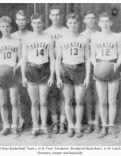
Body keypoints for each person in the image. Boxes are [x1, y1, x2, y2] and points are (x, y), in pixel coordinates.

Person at [56, 13, 91, 138]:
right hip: (66, 69)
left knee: (80, 100)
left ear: (79, 24)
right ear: (67, 24)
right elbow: (58, 60)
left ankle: (78, 126)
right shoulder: (61, 40)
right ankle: (70, 125)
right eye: (70, 23)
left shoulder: (84, 39)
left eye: (75, 23)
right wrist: (58, 77)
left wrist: (87, 76)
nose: (72, 25)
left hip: (80, 69)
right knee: (68, 100)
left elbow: (87, 59)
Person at [21, 13, 55, 137]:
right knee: (34, 102)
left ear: (43, 24)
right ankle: (35, 126)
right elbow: (24, 58)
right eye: (34, 23)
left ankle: (44, 126)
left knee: (43, 102)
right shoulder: (27, 39)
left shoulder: (48, 38)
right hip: (31, 70)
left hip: (44, 69)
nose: (37, 25)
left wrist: (52, 76)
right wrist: (23, 76)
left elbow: (52, 58)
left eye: (39, 22)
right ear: (31, 24)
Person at [90, 12, 121, 138]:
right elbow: (92, 55)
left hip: (113, 66)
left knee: (112, 100)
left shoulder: (117, 36)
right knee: (102, 100)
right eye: (102, 21)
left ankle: (111, 126)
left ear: (111, 23)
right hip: (100, 67)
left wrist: (116, 65)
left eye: (107, 21)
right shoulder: (95, 37)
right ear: (99, 23)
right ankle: (104, 127)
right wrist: (95, 65)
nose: (104, 23)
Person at [0, 16, 21, 135]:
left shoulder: (16, 42)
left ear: (11, 27)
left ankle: (14, 125)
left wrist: (16, 67)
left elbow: (21, 59)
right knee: (3, 102)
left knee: (14, 101)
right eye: (3, 26)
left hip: (12, 73)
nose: (5, 28)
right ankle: (6, 125)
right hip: (0, 74)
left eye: (7, 26)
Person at [44, 5, 69, 134]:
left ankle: (63, 122)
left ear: (61, 16)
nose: (55, 17)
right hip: (49, 65)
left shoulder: (66, 31)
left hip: (64, 64)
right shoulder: (46, 32)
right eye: (53, 15)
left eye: (57, 14)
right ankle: (55, 122)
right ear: (49, 16)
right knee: (52, 95)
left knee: (64, 95)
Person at [11, 10, 32, 132]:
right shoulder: (12, 35)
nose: (21, 22)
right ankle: (20, 120)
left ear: (27, 21)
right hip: (16, 69)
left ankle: (30, 119)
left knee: (29, 96)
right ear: (16, 21)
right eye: (18, 19)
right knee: (17, 96)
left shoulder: (32, 34)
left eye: (23, 19)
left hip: (30, 68)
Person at [80, 11, 100, 134]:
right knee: (87, 96)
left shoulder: (100, 34)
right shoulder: (81, 35)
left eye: (93, 18)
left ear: (96, 20)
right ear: (84, 21)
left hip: (99, 67)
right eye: (88, 18)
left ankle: (97, 122)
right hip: (85, 67)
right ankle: (89, 122)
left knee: (98, 95)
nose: (91, 20)